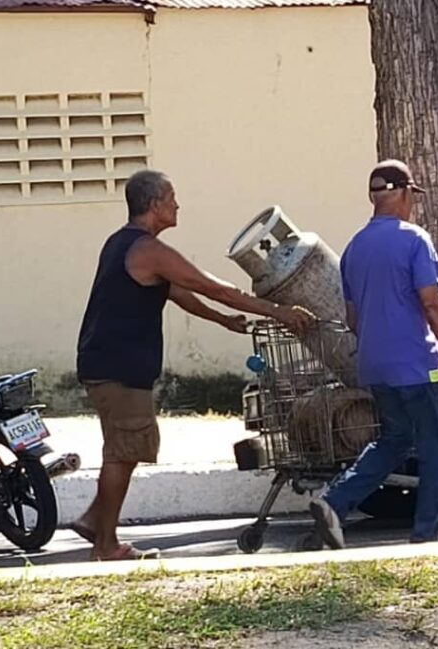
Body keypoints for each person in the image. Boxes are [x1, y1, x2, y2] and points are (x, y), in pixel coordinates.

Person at [74, 169, 315, 561]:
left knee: (130, 445)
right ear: (154, 204)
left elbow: (178, 292)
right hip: (119, 365)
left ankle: (93, 520)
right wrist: (279, 312)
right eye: (171, 197)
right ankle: (106, 545)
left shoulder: (122, 244)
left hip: (106, 361)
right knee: (123, 450)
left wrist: (223, 321)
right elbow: (213, 287)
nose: (177, 204)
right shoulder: (149, 249)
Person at [309, 160, 438, 549]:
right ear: (402, 193)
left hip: (375, 365)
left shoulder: (354, 248)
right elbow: (433, 305)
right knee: (437, 445)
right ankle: (426, 535)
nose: (412, 205)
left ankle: (334, 502)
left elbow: (352, 318)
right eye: (411, 197)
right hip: (419, 364)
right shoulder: (415, 240)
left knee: (394, 439)